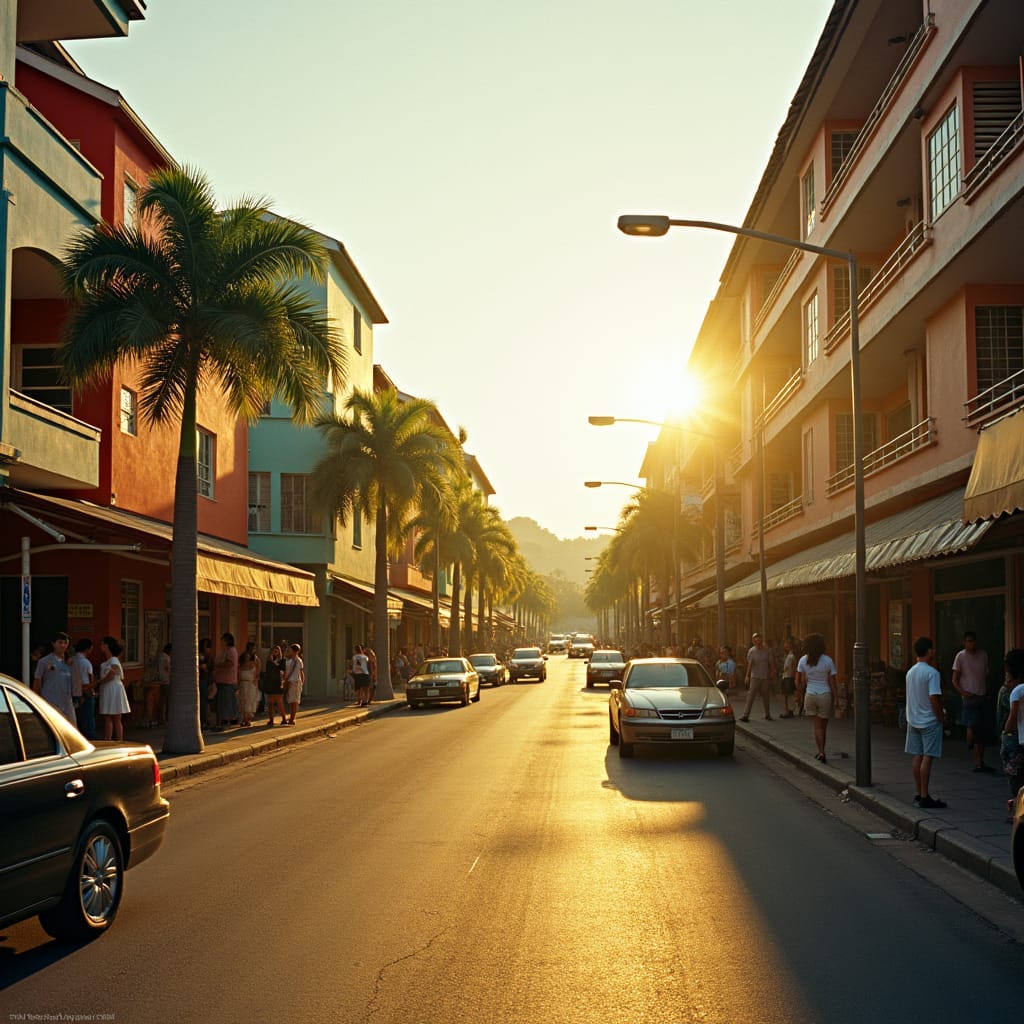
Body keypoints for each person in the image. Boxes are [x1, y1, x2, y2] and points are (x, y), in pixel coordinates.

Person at [905, 636, 947, 810]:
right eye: (933, 649)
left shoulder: (910, 672)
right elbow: (934, 698)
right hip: (929, 720)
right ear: (929, 651)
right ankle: (925, 796)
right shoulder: (932, 673)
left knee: (917, 755)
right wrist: (941, 718)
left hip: (913, 719)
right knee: (928, 756)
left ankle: (918, 792)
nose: (934, 652)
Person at [952, 630, 994, 774]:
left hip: (981, 696)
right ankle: (973, 749)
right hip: (969, 698)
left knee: (980, 732)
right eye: (968, 641)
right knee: (973, 728)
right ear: (964, 642)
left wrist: (987, 690)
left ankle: (979, 761)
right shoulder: (961, 656)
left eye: (973, 641)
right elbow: (954, 679)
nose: (971, 644)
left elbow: (987, 675)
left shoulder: (983, 655)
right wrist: (963, 692)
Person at [796, 633, 837, 762]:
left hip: (810, 695)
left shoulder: (803, 660)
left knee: (817, 727)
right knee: (823, 726)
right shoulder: (828, 660)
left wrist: (799, 694)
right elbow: (832, 682)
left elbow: (799, 681)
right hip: (825, 695)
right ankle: (822, 751)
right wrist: (836, 699)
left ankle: (821, 751)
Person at [997, 649, 1024, 822]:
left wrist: (1006, 730)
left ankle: (1017, 811)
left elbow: (1009, 718)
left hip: (1015, 738)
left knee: (1015, 775)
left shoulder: (1012, 691)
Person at [33, 631, 76, 725]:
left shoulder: (70, 662)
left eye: (65, 643)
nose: (63, 645)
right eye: (60, 642)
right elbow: (37, 681)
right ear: (53, 643)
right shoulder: (44, 662)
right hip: (50, 702)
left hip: (67, 703)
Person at [97, 636, 130, 740]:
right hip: (107, 688)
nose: (101, 646)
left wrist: (98, 682)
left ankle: (117, 739)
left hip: (113, 688)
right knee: (108, 716)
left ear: (107, 646)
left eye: (102, 644)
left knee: (115, 717)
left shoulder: (114, 661)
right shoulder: (106, 662)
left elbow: (111, 676)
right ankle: (109, 738)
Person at [741, 632, 775, 721]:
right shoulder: (751, 651)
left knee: (766, 696)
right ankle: (745, 715)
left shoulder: (767, 651)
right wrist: (747, 676)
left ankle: (767, 714)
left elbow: (771, 662)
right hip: (754, 676)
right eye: (755, 640)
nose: (757, 642)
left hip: (764, 676)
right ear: (753, 641)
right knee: (751, 695)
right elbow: (750, 664)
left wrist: (772, 672)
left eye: (758, 640)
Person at [71, 637, 97, 739]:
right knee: (88, 723)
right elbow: (86, 684)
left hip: (73, 694)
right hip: (85, 695)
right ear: (88, 649)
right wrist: (95, 683)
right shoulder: (86, 663)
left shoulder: (71, 661)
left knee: (78, 722)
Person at [213, 632, 239, 731]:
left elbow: (229, 663)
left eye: (223, 640)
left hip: (228, 680)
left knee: (226, 702)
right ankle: (221, 721)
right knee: (221, 702)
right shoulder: (224, 650)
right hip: (221, 679)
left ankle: (228, 720)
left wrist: (218, 665)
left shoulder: (231, 651)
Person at [261, 644, 287, 725]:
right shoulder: (269, 662)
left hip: (278, 682)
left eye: (276, 651)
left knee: (279, 702)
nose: (275, 653)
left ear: (279, 652)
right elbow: (268, 672)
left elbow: (282, 671)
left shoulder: (282, 661)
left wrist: (283, 681)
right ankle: (271, 719)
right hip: (271, 683)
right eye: (273, 651)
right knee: (271, 702)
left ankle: (284, 719)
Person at [238, 641, 260, 727]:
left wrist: (256, 681)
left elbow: (257, 673)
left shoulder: (255, 660)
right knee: (243, 701)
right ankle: (244, 719)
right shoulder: (241, 663)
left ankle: (247, 719)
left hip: (251, 684)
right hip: (243, 684)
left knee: (250, 701)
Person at [283, 643, 305, 724]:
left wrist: (302, 682)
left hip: (295, 681)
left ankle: (292, 718)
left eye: (290, 650)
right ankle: (291, 717)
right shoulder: (290, 660)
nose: (289, 651)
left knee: (295, 700)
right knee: (291, 700)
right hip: (290, 681)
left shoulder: (298, 660)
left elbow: (301, 672)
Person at [198, 637, 215, 730]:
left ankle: (205, 720)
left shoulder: (209, 657)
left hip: (207, 681)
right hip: (202, 680)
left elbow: (210, 668)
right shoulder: (200, 655)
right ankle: (203, 721)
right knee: (202, 702)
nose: (207, 649)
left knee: (206, 702)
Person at [780, 637, 798, 718]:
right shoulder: (788, 656)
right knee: (785, 695)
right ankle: (787, 710)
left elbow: (794, 667)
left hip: (789, 677)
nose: (785, 646)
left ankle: (789, 711)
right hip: (785, 677)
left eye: (786, 644)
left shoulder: (791, 656)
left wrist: (794, 677)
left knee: (788, 695)